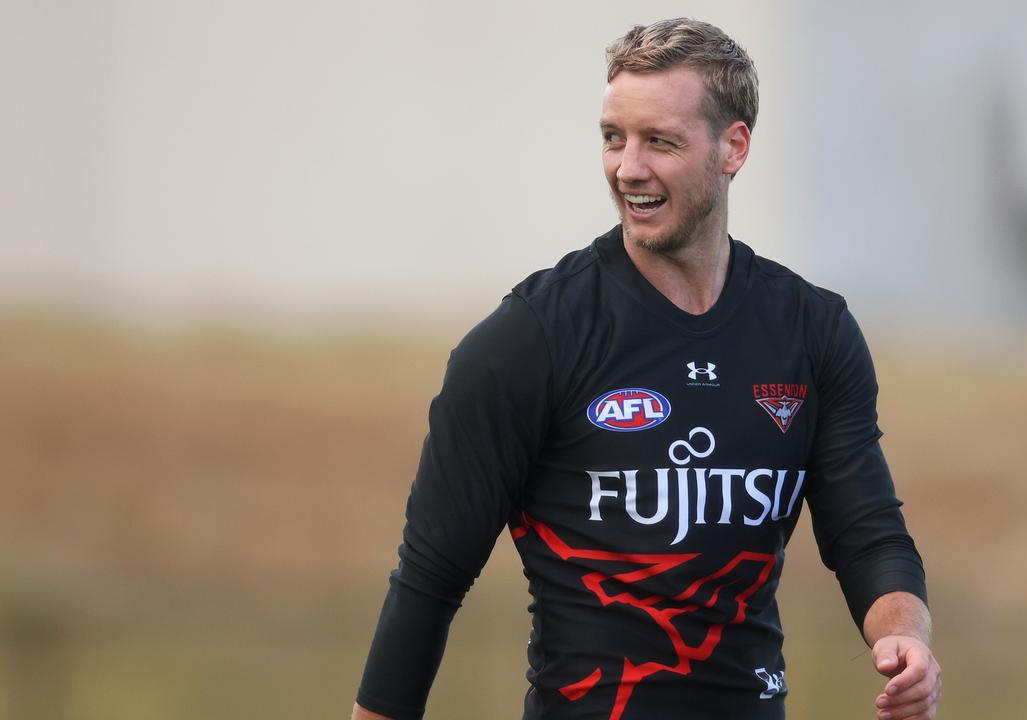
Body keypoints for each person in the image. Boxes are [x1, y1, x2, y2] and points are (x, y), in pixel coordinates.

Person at [352, 18, 940, 720]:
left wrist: (905, 637)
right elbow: (429, 578)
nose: (628, 167)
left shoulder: (810, 331)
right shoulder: (530, 338)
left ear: (733, 148)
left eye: (659, 141)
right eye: (613, 137)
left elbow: (866, 532)